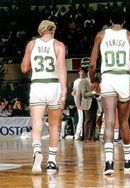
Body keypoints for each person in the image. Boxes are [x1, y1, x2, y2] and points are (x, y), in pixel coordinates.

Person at [89, 8, 130, 175]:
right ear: (124, 21)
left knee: (109, 121)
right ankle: (128, 159)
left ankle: (109, 162)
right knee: (124, 121)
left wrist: (93, 80)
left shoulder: (101, 35)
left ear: (110, 20)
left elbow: (92, 64)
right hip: (124, 77)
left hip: (108, 78)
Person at [21, 20, 67, 174]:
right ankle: (52, 161)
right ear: (53, 30)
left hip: (37, 85)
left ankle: (37, 153)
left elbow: (24, 68)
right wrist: (64, 89)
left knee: (37, 125)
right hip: (53, 85)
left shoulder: (31, 45)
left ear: (40, 30)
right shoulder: (59, 45)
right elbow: (61, 69)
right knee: (54, 126)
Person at [71, 68, 85, 140]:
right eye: (81, 71)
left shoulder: (87, 80)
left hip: (86, 102)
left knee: (85, 118)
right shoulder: (76, 81)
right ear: (79, 72)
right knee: (81, 118)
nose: (82, 73)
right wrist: (76, 102)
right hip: (79, 102)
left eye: (83, 72)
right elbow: (74, 92)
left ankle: (82, 134)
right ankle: (77, 135)